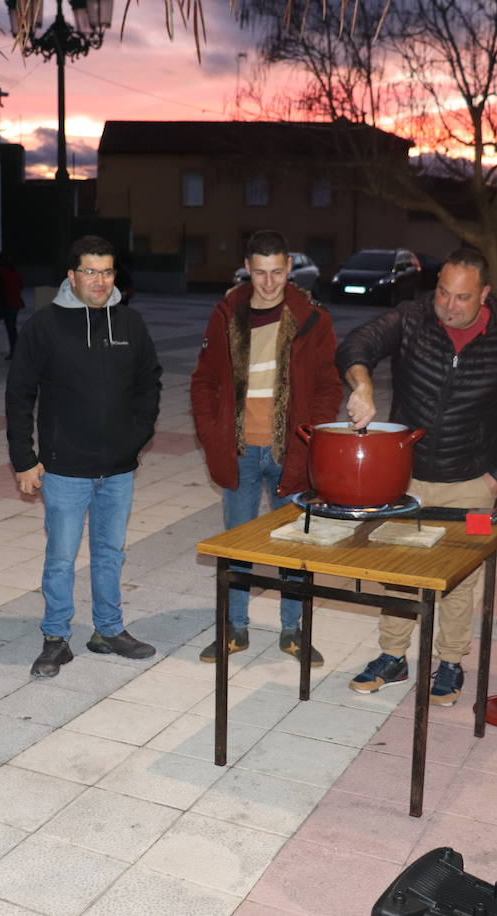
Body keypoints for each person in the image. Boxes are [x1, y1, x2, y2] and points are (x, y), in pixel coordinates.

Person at [337, 248, 497, 706]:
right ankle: (393, 656)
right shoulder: (411, 319)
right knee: (396, 567)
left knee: (460, 577)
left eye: (462, 297)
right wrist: (363, 384)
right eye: (443, 293)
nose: (449, 306)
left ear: (484, 294)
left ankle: (449, 662)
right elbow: (355, 344)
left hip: (472, 481)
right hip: (405, 478)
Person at [7, 235, 163, 678]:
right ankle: (56, 638)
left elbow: (149, 382)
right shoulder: (44, 326)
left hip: (118, 468)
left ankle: (108, 630)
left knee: (110, 553)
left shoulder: (130, 324)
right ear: (71, 276)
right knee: (60, 557)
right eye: (91, 272)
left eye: (108, 271)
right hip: (64, 469)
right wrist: (24, 457)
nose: (100, 280)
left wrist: (137, 435)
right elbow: (19, 394)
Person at [190, 229, 342, 665]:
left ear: (289, 268)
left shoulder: (313, 318)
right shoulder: (226, 315)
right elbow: (203, 381)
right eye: (260, 273)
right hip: (239, 451)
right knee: (237, 546)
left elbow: (329, 385)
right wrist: (210, 431)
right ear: (247, 269)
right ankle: (234, 628)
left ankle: (292, 631)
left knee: (295, 546)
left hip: (290, 451)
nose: (270, 283)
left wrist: (309, 434)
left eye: (277, 272)